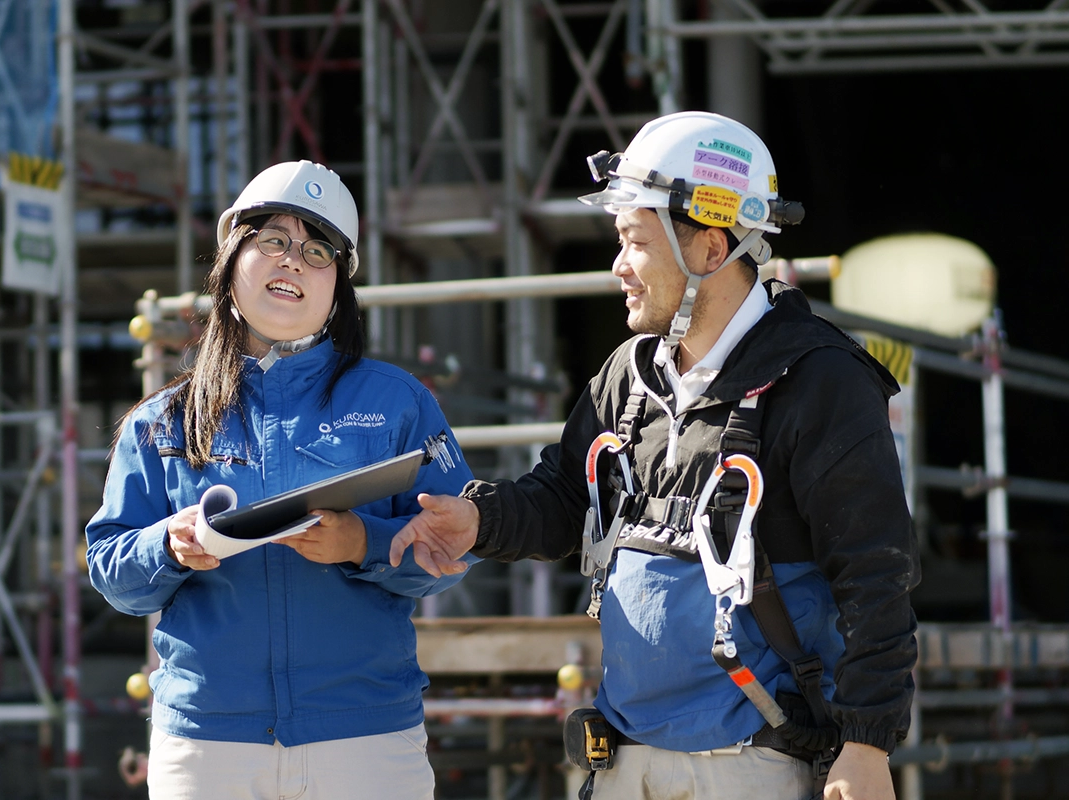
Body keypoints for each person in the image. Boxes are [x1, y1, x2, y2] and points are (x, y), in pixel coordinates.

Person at [389, 112, 919, 800]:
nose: (618, 268)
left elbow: (876, 575)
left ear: (707, 247)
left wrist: (866, 744)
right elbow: (558, 501)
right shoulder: (628, 376)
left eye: (634, 242)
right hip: (628, 764)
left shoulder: (820, 381)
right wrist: (477, 520)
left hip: (760, 766)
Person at [87, 160, 474, 800]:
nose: (292, 260)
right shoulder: (163, 421)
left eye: (317, 250)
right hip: (207, 742)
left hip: (365, 736)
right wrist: (169, 545)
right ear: (231, 260)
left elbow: (454, 549)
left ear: (338, 286)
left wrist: (362, 544)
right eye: (272, 240)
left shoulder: (400, 402)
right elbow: (111, 570)